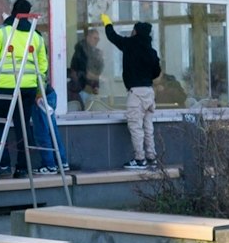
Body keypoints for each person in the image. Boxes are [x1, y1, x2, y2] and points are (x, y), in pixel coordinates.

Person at [0, 0, 62, 174]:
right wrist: (40, 90)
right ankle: (23, 167)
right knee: (22, 126)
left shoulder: (0, 31)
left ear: (12, 11)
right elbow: (43, 67)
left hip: (4, 86)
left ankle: (3, 164)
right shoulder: (36, 35)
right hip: (28, 88)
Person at [103, 12, 162, 169]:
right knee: (148, 126)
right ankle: (152, 157)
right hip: (149, 92)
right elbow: (156, 72)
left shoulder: (129, 44)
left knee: (135, 126)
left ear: (135, 31)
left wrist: (107, 23)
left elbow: (113, 37)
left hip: (136, 93)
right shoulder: (151, 51)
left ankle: (139, 159)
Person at [68, 27, 103, 110]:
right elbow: (86, 73)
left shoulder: (93, 52)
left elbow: (94, 70)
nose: (97, 41)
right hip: (79, 90)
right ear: (88, 38)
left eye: (98, 39)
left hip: (87, 90)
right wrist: (100, 78)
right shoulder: (81, 52)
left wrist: (95, 85)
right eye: (95, 38)